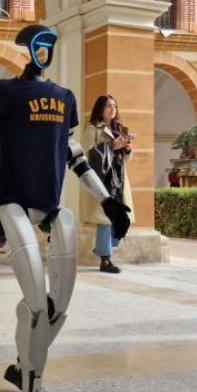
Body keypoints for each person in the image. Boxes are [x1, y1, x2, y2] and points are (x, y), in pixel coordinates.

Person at [0, 24, 131, 392]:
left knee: (56, 307)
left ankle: (21, 366)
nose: (45, 51)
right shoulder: (2, 91)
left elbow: (75, 154)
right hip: (12, 204)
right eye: (39, 44)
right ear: (27, 48)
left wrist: (108, 200)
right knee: (35, 307)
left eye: (51, 44)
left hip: (52, 207)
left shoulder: (65, 97)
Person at [84, 94, 135, 273]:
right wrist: (113, 146)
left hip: (119, 180)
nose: (112, 109)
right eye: (108, 106)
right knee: (105, 220)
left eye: (114, 106)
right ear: (100, 109)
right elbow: (90, 154)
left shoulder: (119, 129)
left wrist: (127, 149)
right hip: (103, 180)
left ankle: (101, 249)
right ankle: (105, 261)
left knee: (122, 218)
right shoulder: (92, 129)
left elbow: (126, 160)